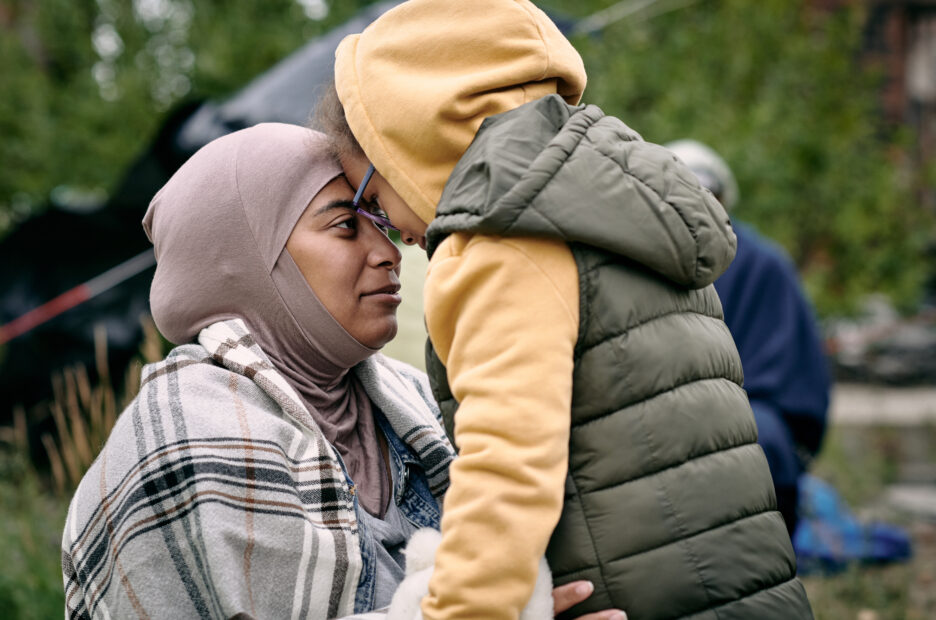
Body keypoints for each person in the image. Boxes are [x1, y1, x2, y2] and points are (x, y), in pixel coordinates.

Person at [317, 0, 815, 618]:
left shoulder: (501, 239)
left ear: (412, 139)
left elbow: (507, 469)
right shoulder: (607, 205)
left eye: (371, 195)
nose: (386, 227)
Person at [60, 123, 622, 619]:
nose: (390, 251)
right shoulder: (183, 440)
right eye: (346, 228)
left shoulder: (413, 398)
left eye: (378, 220)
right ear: (247, 263)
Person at [664, 139, 832, 537]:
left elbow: (801, 386)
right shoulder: (636, 261)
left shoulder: (764, 265)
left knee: (761, 440)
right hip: (660, 413)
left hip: (751, 413)